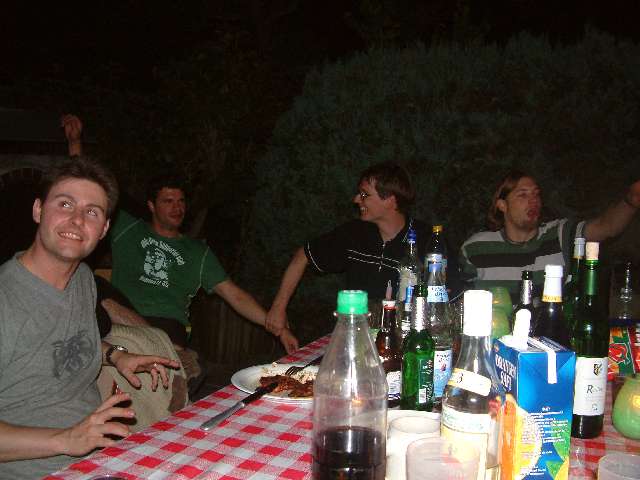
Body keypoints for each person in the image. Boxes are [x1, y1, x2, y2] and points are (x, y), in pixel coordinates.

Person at [0, 157, 180, 479]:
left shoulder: (83, 279)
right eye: (65, 204)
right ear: (38, 210)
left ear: (104, 229)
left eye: (92, 212)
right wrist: (67, 440)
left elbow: (62, 344)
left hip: (102, 460)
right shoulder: (6, 299)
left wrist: (117, 356)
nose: (77, 219)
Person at [62, 114, 298, 354]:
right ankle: (157, 346)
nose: (177, 208)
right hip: (122, 317)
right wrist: (75, 143)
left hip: (168, 326)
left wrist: (278, 328)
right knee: (92, 283)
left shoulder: (198, 252)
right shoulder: (127, 228)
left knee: (148, 335)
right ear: (152, 206)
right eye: (168, 201)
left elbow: (235, 296)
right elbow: (86, 191)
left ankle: (159, 346)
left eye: (181, 201)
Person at [266, 161, 445, 335]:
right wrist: (278, 309)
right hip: (356, 335)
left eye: (365, 194)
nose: (356, 199)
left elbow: (447, 296)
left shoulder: (428, 240)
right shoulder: (354, 234)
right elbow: (303, 255)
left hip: (407, 338)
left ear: (390, 200)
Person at [460, 170, 640, 301]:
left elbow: (606, 227)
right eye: (523, 195)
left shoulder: (559, 234)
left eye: (536, 194)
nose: (533, 201)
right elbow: (457, 301)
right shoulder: (475, 248)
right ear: (502, 205)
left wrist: (630, 202)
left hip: (550, 338)